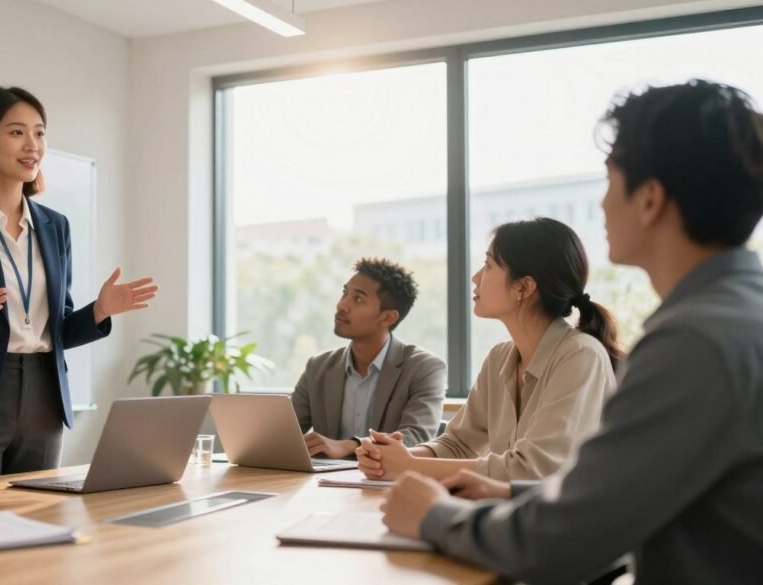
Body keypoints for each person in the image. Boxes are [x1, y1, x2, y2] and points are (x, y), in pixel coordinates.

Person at [381, 80, 763, 584]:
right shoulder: (734, 315)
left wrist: (432, 515)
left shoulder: (695, 342)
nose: (602, 205)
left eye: (609, 181)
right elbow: (627, 491)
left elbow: (558, 545)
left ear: (650, 200)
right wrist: (512, 494)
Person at [0, 87, 158, 480]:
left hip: (44, 397)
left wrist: (100, 310)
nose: (33, 145)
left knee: (38, 527)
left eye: (39, 133)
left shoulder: (55, 226)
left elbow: (57, 331)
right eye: (17, 132)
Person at [357, 219, 620, 481]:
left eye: (488, 265)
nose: (475, 277)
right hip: (513, 516)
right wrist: (395, 456)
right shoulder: (499, 358)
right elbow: (457, 444)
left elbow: (533, 469)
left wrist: (407, 466)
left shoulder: (581, 356)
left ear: (524, 287)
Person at [291, 257, 446, 459]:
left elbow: (416, 437)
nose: (342, 305)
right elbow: (283, 433)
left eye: (358, 299)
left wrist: (350, 445)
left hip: (388, 483)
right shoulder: (318, 367)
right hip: (323, 484)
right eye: (344, 293)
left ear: (388, 317)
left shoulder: (425, 368)